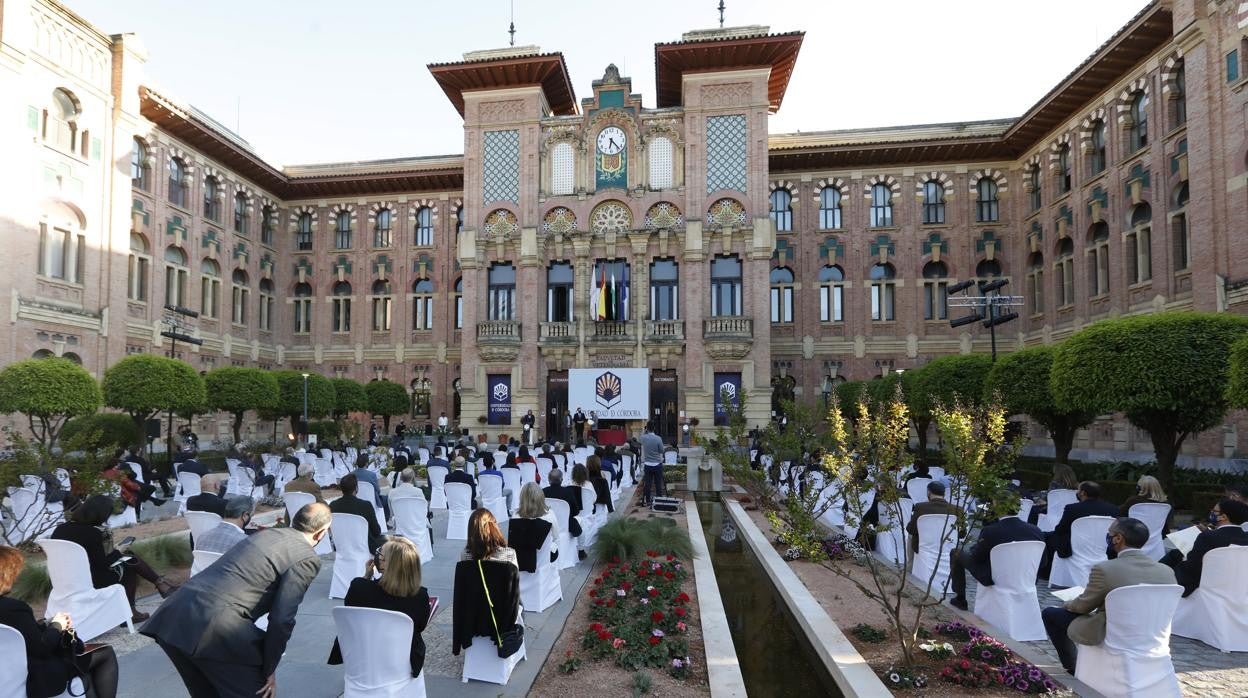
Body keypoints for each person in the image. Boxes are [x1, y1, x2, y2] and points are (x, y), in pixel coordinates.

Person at [142, 502, 330, 698]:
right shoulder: (307, 558)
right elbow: (282, 619)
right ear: (321, 533)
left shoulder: (265, 535)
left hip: (175, 613)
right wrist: (268, 669)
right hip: (216, 627)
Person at [1041, 517, 1176, 674]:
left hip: (1114, 630)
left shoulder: (1105, 569)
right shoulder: (1166, 571)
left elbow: (1082, 607)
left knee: (1051, 614)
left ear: (1118, 538)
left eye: (1109, 533)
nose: (1107, 537)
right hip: (1152, 633)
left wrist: (1069, 603)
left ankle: (1073, 667)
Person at [0, 545, 120, 698]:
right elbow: (42, 648)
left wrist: (43, 624)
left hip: (5, 678)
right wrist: (57, 624)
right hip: (31, 677)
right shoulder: (14, 608)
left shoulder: (12, 610)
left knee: (80, 668)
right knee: (104, 653)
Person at [51, 495, 175, 623]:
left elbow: (88, 555)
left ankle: (160, 583)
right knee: (129, 564)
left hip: (64, 579)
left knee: (128, 557)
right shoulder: (93, 533)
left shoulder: (60, 529)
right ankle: (133, 609)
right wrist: (118, 551)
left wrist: (115, 551)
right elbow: (102, 564)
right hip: (91, 580)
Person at [328, 536, 431, 679]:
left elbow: (350, 609)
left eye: (380, 554)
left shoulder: (359, 587)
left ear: (384, 564)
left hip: (360, 657)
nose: (377, 556)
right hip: (400, 660)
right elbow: (419, 627)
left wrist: (366, 577)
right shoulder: (420, 596)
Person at [948, 500, 1044, 610]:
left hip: (995, 578)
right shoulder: (1036, 530)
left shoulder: (991, 531)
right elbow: (1043, 562)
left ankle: (960, 599)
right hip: (1026, 579)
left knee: (956, 553)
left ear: (997, 509)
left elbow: (976, 559)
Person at [453, 509, 520, 657]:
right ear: (493, 527)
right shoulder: (509, 554)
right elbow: (514, 589)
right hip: (502, 615)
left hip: (474, 614)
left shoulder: (465, 555)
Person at [1161, 498, 1248, 596]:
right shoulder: (1245, 537)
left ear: (1223, 517)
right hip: (1240, 589)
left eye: (1214, 511)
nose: (1211, 513)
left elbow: (1192, 570)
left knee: (1176, 556)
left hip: (1206, 591)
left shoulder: (1208, 537)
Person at [1040, 481, 1119, 579]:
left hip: (1076, 546)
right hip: (1103, 545)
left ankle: (1045, 574)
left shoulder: (1073, 508)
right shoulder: (1113, 509)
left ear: (1082, 493)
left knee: (1047, 537)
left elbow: (1060, 530)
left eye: (1078, 490)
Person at [329, 473, 386, 553]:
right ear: (356, 488)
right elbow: (376, 531)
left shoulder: (333, 505)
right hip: (364, 544)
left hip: (342, 544)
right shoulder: (365, 505)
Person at [509, 483, 558, 570]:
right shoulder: (549, 515)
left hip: (521, 559)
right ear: (541, 497)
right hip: (545, 558)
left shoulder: (515, 515)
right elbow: (555, 537)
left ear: (522, 498)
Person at [905, 480, 961, 554]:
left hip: (923, 548)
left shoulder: (920, 507)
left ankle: (910, 564)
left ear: (929, 492)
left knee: (910, 536)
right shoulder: (958, 510)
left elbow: (911, 529)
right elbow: (961, 534)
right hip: (947, 548)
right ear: (944, 494)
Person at [542, 468, 584, 543]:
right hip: (566, 525)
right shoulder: (568, 492)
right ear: (561, 479)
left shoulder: (543, 492)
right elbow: (576, 512)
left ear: (549, 480)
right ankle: (580, 550)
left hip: (547, 524)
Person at [352, 452, 390, 520]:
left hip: (355, 500)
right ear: (366, 463)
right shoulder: (372, 475)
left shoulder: (351, 474)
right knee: (386, 499)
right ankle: (385, 521)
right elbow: (378, 490)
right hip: (371, 501)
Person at [640, 421, 665, 506]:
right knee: (658, 484)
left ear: (647, 428)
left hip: (647, 464)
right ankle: (659, 500)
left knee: (648, 484)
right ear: (654, 428)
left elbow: (641, 438)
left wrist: (645, 431)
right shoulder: (658, 438)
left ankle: (648, 501)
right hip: (657, 464)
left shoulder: (643, 437)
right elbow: (661, 450)